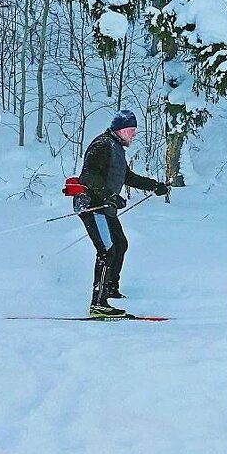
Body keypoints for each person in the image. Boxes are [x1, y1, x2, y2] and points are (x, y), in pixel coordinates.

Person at [74, 110, 170, 317]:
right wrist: (109, 196)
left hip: (105, 207)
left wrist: (154, 186)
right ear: (120, 130)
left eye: (134, 131)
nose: (133, 135)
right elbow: (88, 176)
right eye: (131, 131)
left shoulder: (116, 147)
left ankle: (109, 287)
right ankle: (98, 303)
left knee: (120, 244)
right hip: (92, 205)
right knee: (107, 250)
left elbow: (127, 176)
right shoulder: (102, 145)